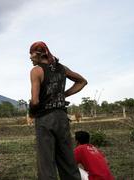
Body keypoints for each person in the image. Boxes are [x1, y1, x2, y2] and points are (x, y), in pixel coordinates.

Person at [28, 41, 87, 179]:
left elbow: (35, 100)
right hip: (62, 117)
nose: (30, 57)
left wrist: (31, 113)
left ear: (40, 54)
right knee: (67, 159)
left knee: (46, 162)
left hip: (45, 119)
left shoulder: (36, 71)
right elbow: (82, 81)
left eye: (31, 54)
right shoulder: (62, 68)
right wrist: (63, 94)